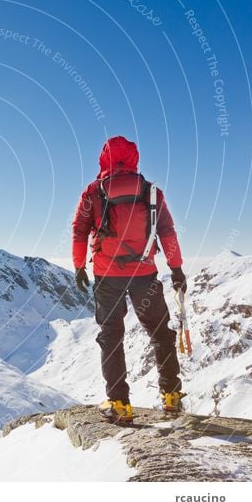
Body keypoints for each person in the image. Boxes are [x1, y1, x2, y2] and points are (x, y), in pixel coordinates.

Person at [71, 135, 186, 423]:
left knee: (111, 336)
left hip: (107, 275)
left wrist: (78, 265)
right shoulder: (151, 192)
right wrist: (177, 268)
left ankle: (120, 404)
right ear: (134, 158)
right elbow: (167, 232)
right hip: (144, 273)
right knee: (161, 332)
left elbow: (79, 231)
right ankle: (171, 397)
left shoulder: (92, 193)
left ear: (103, 159)